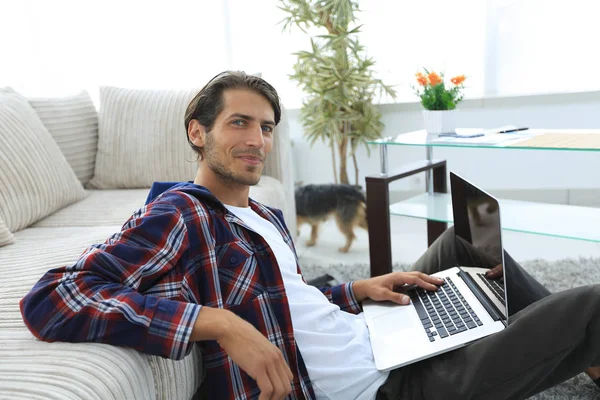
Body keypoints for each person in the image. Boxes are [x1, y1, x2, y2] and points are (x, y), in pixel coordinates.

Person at [20, 71, 600, 400]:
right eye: (238, 123)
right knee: (591, 305)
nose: (256, 139)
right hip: (383, 387)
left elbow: (285, 301)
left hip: (375, 334)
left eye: (266, 127)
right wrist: (217, 322)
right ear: (198, 133)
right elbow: (54, 297)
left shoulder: (263, 215)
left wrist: (359, 291)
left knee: (465, 244)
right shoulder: (181, 216)